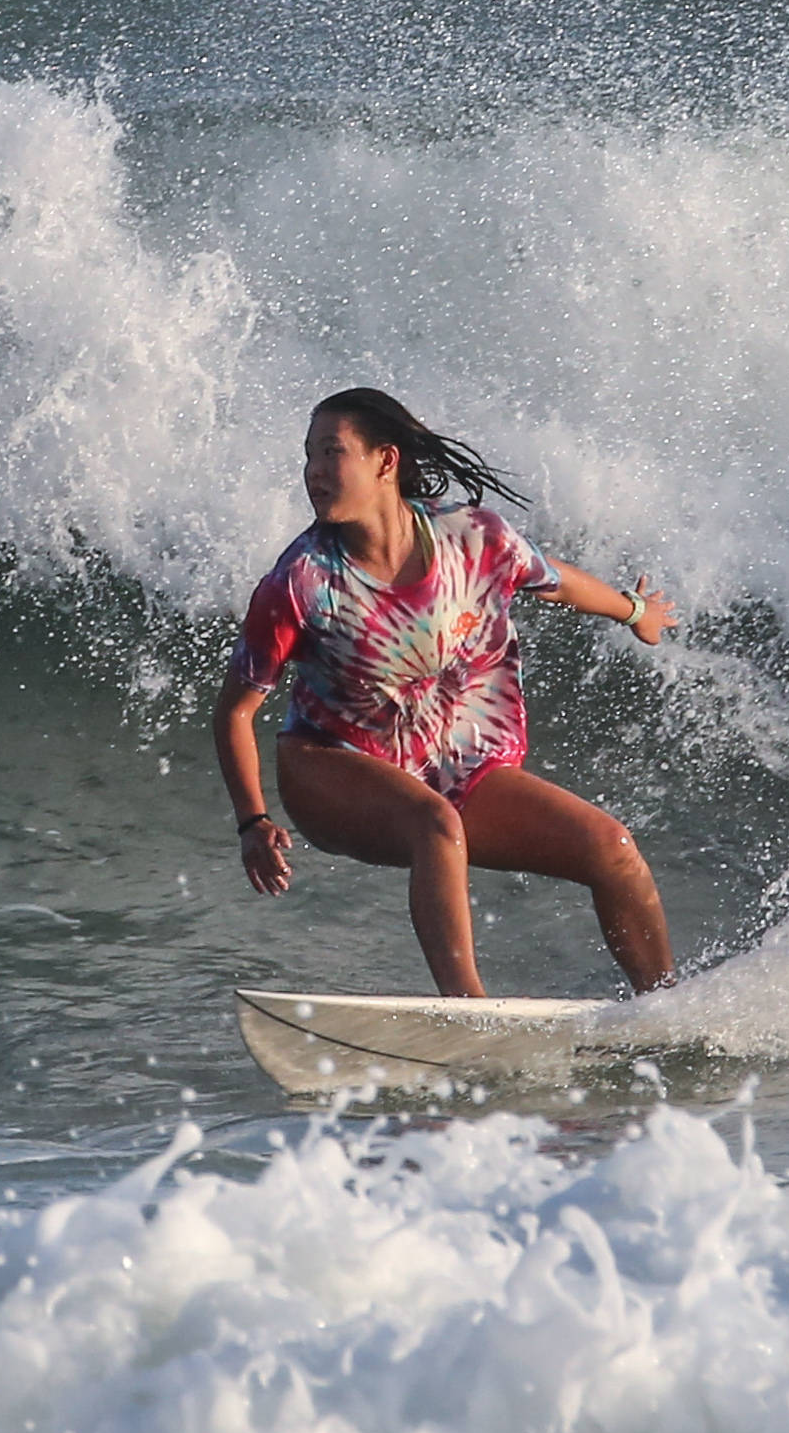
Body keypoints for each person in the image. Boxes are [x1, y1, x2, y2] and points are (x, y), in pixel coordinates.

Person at [213, 387, 676, 996]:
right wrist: (253, 822)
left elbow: (553, 581)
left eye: (332, 453)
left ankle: (663, 1007)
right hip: (331, 766)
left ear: (386, 461)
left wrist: (634, 610)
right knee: (436, 824)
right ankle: (470, 1016)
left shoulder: (472, 537)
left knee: (610, 847)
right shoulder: (301, 582)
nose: (315, 473)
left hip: (451, 763)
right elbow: (235, 711)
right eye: (308, 456)